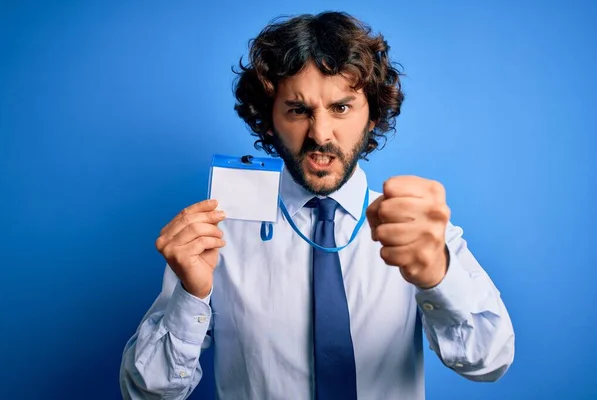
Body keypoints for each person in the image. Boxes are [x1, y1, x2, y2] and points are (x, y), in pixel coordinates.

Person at [120, 11, 515, 400]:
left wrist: (437, 277)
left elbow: (491, 361)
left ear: (372, 115)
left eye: (341, 108)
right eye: (298, 110)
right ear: (269, 119)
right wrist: (191, 294)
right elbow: (146, 393)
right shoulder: (218, 236)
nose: (320, 134)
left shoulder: (419, 230)